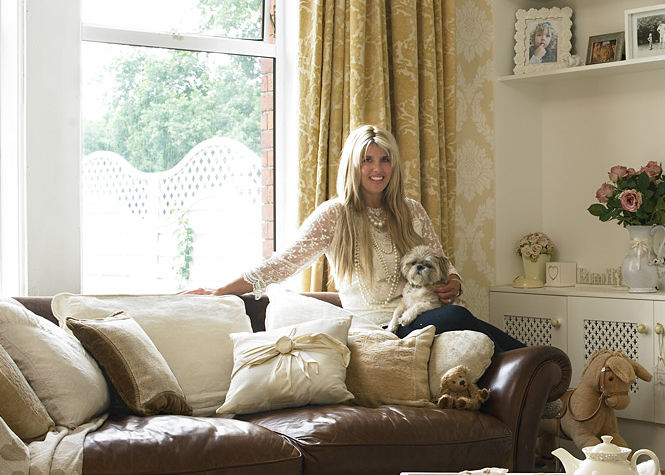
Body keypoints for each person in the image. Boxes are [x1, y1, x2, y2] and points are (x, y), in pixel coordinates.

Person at [189, 124, 527, 352]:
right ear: (354, 165)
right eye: (367, 160)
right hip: (376, 328)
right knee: (458, 319)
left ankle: (539, 371)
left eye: (384, 160)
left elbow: (441, 259)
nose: (376, 168)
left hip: (422, 312)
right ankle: (538, 364)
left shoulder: (411, 210)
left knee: (459, 317)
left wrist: (453, 280)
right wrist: (220, 291)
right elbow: (283, 263)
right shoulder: (333, 215)